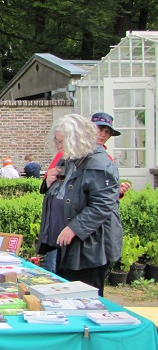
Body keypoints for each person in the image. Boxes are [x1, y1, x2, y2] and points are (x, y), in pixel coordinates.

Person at [38, 114, 123, 296]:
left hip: (90, 247)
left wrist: (73, 228)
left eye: (62, 142)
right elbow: (64, 193)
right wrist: (48, 183)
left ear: (76, 139)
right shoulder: (71, 158)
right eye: (57, 141)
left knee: (83, 298)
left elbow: (103, 204)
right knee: (66, 294)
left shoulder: (99, 163)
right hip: (67, 245)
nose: (59, 146)